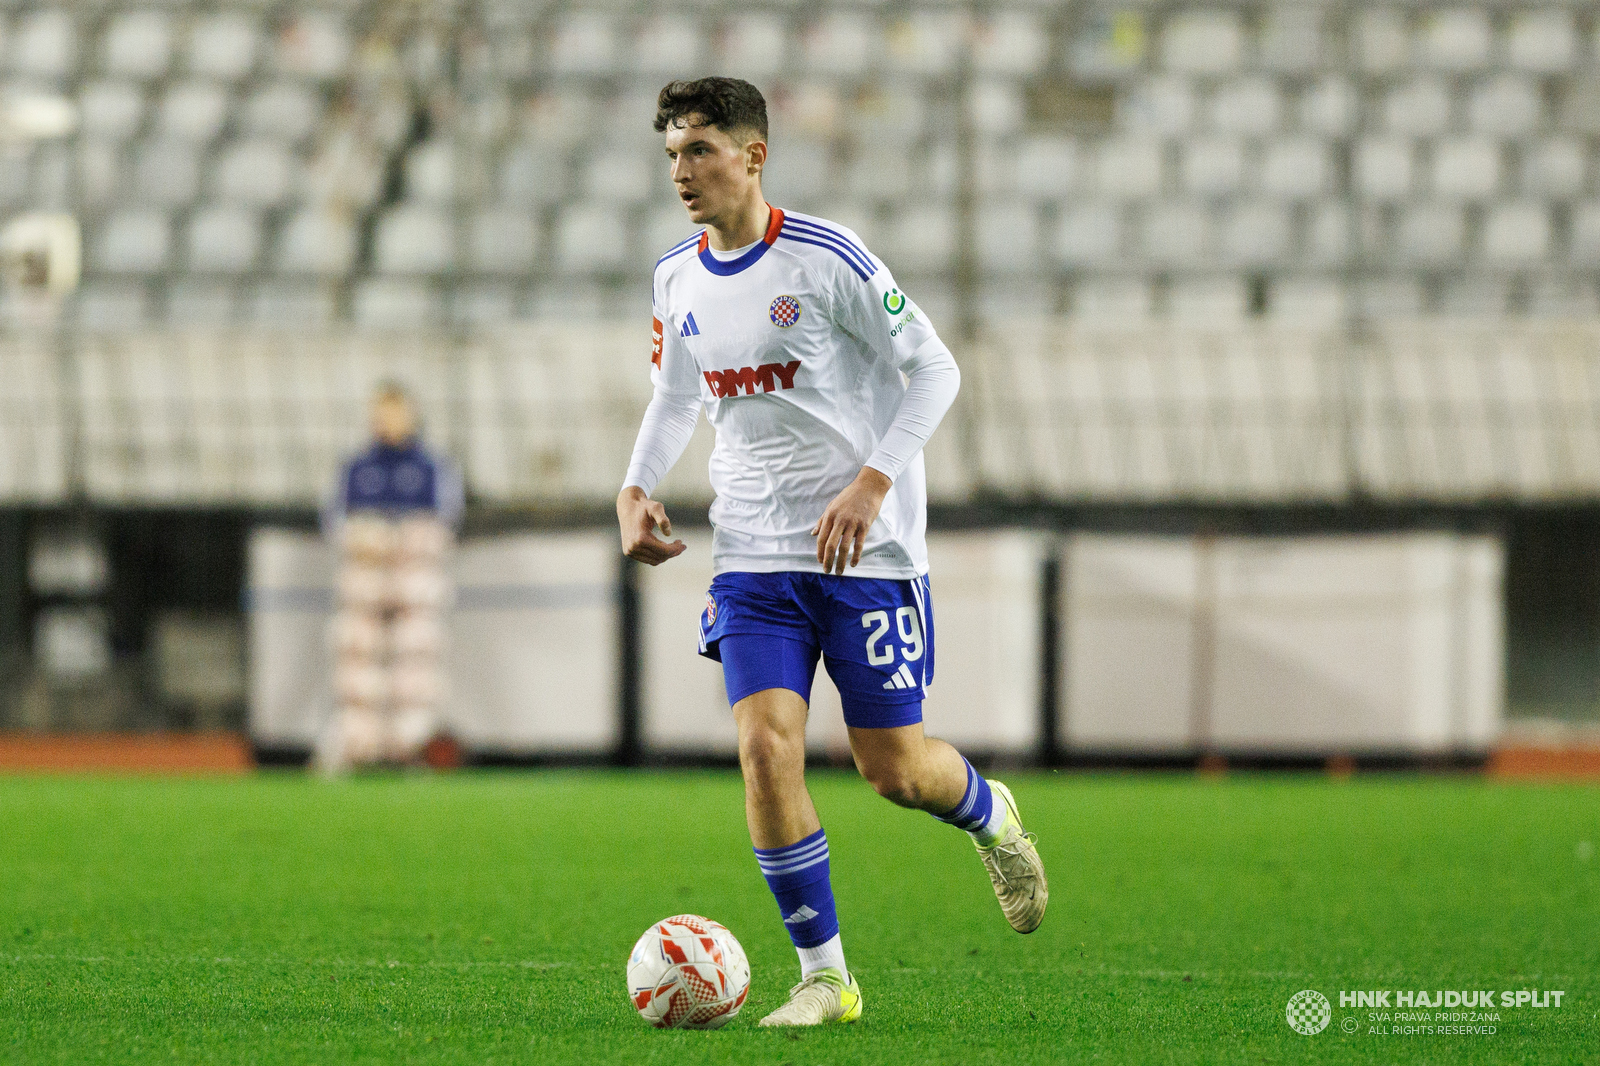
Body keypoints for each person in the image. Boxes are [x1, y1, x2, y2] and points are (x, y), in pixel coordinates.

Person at [616, 78, 1048, 1027]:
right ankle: (826, 978)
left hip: (868, 555)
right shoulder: (675, 278)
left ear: (754, 155)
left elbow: (937, 367)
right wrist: (636, 485)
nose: (683, 173)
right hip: (754, 557)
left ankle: (988, 813)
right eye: (673, 156)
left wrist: (873, 481)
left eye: (701, 152)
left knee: (891, 770)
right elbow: (676, 396)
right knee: (765, 751)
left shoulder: (827, 258)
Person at [317, 383, 463, 773]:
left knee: (416, 659)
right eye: (381, 411)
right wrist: (368, 538)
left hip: (413, 580)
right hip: (366, 577)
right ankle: (353, 747)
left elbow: (447, 522)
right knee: (355, 652)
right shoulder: (356, 468)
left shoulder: (432, 467)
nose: (388, 420)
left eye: (396, 411)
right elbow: (334, 522)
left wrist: (409, 541)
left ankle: (414, 750)